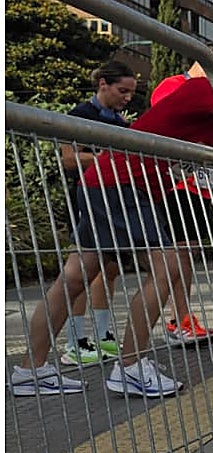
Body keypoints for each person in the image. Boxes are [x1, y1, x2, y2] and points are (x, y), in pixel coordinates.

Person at [9, 35, 213, 398]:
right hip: (125, 183)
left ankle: (31, 370)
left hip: (109, 181)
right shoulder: (206, 90)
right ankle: (131, 367)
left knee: (76, 277)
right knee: (167, 267)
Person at [57, 60, 139, 368]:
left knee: (110, 269)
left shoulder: (120, 122)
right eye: (122, 91)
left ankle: (101, 334)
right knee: (83, 271)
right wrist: (107, 159)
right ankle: (75, 340)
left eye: (131, 93)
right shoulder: (79, 115)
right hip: (85, 198)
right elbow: (68, 159)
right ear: (102, 83)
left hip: (112, 201)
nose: (127, 98)